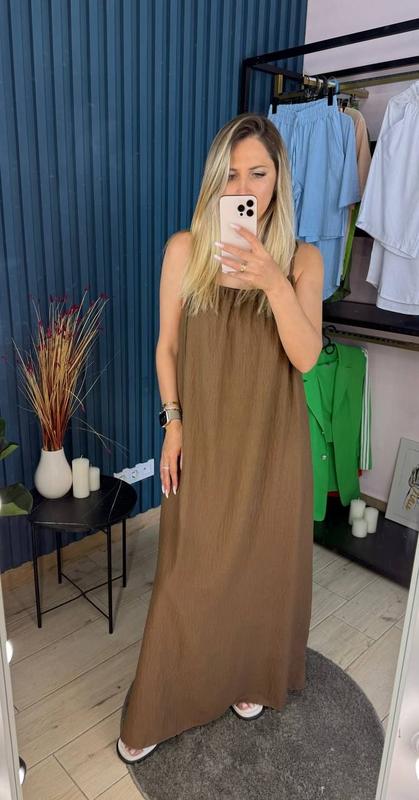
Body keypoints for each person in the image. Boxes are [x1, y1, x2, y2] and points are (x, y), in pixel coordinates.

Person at [117, 113, 323, 764]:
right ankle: (155, 706)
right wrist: (172, 423)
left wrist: (272, 280)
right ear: (214, 182)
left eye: (258, 173)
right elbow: (166, 347)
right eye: (230, 175)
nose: (243, 187)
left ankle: (248, 675)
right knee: (189, 572)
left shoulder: (303, 261)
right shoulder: (185, 250)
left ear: (278, 179)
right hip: (204, 438)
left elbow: (306, 356)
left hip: (272, 445)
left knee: (261, 567)